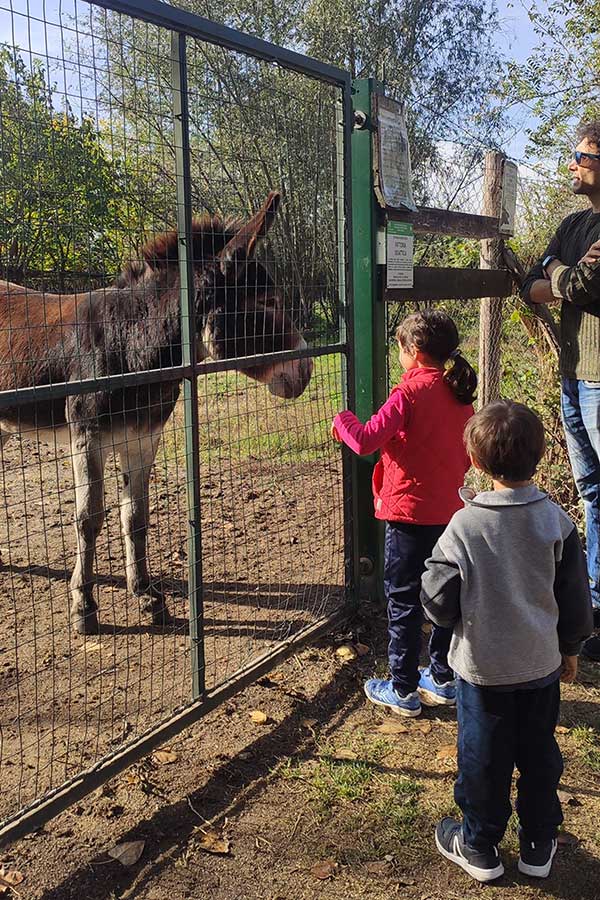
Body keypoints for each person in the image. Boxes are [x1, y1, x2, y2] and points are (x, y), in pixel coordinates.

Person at [421, 400, 593, 883]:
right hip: (541, 667)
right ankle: (539, 842)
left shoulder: (464, 526)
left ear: (475, 462)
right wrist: (572, 648)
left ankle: (478, 844)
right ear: (538, 457)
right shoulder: (556, 521)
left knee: (483, 756)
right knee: (539, 753)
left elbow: (436, 599)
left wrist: (448, 616)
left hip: (482, 671)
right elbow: (575, 598)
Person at [331, 310, 476, 717]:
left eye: (399, 349)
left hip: (408, 516)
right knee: (445, 595)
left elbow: (363, 441)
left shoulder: (407, 395)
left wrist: (341, 419)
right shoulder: (459, 393)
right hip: (451, 514)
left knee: (404, 599)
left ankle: (403, 687)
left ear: (412, 351)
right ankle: (443, 678)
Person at [521, 121, 600, 662]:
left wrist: (559, 276)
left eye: (580, 155)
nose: (571, 163)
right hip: (573, 375)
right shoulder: (574, 224)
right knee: (592, 491)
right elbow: (532, 285)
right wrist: (557, 270)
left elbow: (580, 287)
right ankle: (594, 609)